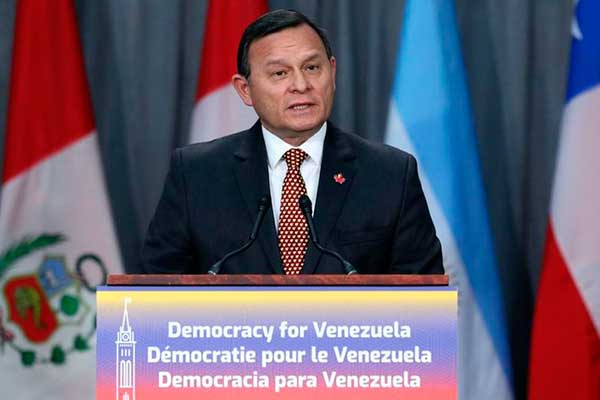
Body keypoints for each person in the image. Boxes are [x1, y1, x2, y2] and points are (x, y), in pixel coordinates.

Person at [141, 9, 443, 275]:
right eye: (279, 73)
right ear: (245, 89)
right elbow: (155, 294)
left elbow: (423, 302)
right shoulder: (197, 174)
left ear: (332, 72)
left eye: (312, 68)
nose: (301, 85)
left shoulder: (389, 174)